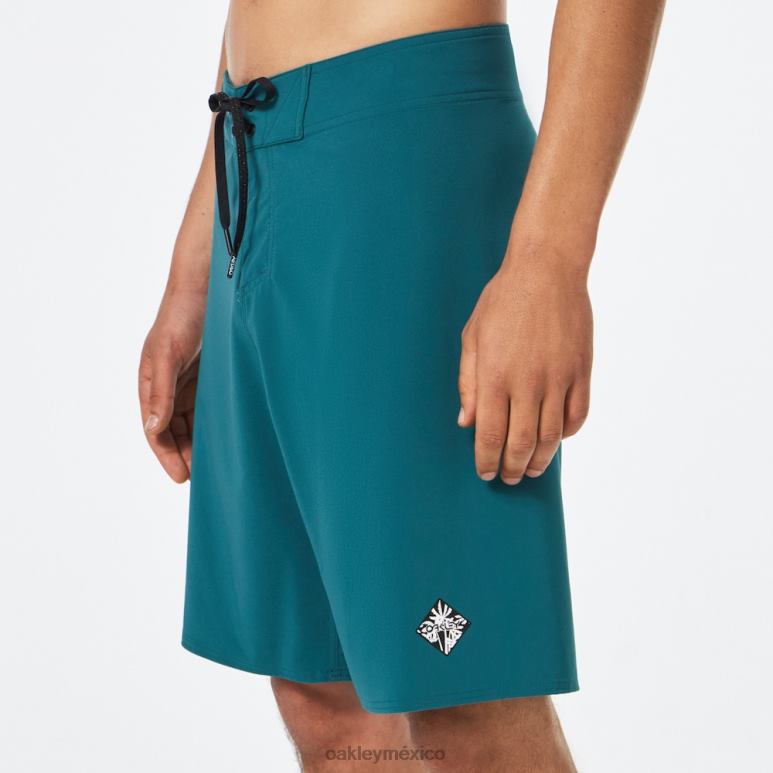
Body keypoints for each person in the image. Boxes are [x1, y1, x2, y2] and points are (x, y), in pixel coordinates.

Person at [139, 1, 664, 770]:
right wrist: (195, 268)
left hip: (406, 150)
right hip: (250, 159)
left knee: (458, 690)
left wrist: (548, 257)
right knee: (322, 691)